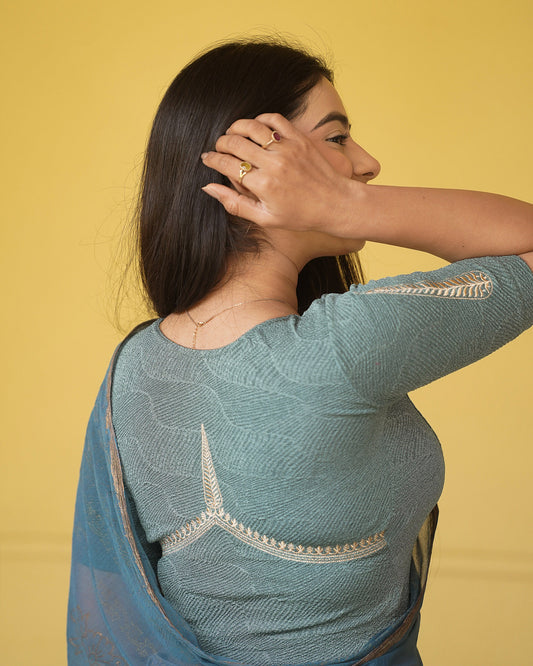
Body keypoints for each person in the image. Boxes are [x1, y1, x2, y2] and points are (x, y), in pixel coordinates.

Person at [67, 38, 533, 666]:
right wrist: (350, 206)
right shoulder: (342, 346)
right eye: (337, 138)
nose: (367, 163)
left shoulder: (135, 365)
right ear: (254, 166)